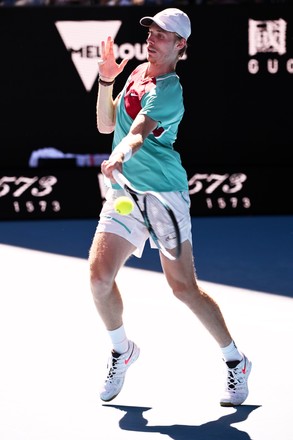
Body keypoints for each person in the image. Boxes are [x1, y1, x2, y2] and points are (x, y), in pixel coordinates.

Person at [89, 7, 252, 406]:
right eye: (151, 31)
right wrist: (107, 81)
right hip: (126, 194)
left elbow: (138, 135)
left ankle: (235, 360)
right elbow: (106, 126)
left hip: (163, 195)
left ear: (180, 45)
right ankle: (121, 349)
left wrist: (120, 157)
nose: (152, 38)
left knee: (183, 289)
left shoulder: (169, 90)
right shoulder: (137, 74)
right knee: (98, 278)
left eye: (162, 35)